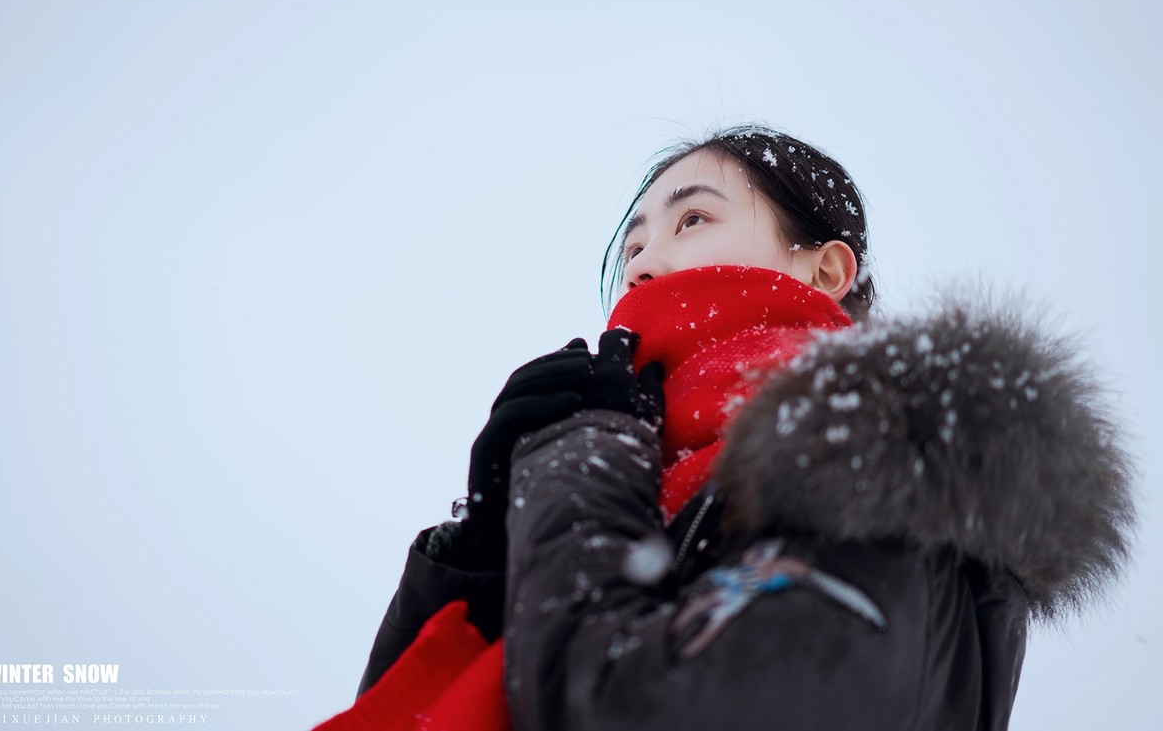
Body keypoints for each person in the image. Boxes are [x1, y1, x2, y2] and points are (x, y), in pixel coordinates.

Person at [314, 125, 1134, 731]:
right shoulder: (636, 486)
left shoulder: (885, 466)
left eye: (691, 220)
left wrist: (582, 459)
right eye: (631, 245)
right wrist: (483, 553)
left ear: (824, 268)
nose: (639, 263)